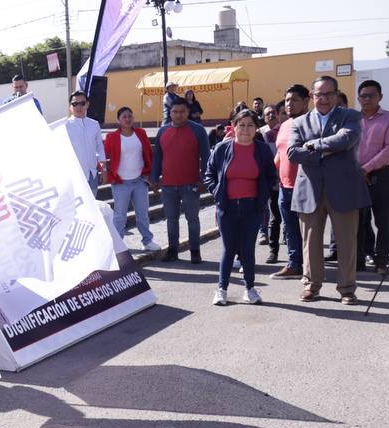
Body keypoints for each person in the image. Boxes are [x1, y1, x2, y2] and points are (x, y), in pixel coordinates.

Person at [287, 76, 370, 304]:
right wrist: (328, 150)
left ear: (336, 95)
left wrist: (314, 145)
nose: (323, 99)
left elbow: (347, 139)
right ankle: (311, 286)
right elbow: (293, 153)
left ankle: (347, 289)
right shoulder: (299, 122)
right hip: (310, 190)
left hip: (344, 189)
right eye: (318, 94)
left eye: (328, 94)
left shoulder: (350, 116)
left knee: (346, 243)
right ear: (311, 96)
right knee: (310, 243)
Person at [204, 110, 278, 306]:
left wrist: (264, 194)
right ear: (234, 126)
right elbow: (209, 174)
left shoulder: (262, 150)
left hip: (252, 208)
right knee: (228, 249)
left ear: (256, 128)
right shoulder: (221, 148)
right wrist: (216, 191)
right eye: (241, 125)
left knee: (247, 250)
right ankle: (222, 289)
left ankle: (250, 289)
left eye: (250, 125)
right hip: (227, 207)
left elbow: (271, 175)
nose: (245, 129)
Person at [152, 96, 210, 263]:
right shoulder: (162, 131)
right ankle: (172, 250)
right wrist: (155, 178)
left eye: (182, 112)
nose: (178, 115)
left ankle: (195, 251)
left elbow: (206, 157)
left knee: (192, 219)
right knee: (171, 219)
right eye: (175, 112)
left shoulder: (198, 130)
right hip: (168, 185)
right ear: (170, 112)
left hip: (191, 184)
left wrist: (203, 180)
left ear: (188, 112)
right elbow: (157, 158)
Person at [354, 80, 389, 274]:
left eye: (371, 95)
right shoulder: (352, 120)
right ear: (358, 98)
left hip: (380, 176)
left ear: (380, 97)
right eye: (363, 96)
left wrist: (366, 169)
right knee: (358, 222)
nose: (366, 99)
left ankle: (381, 261)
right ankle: (359, 261)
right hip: (355, 177)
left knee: (382, 221)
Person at [102, 107, 159, 252]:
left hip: (140, 180)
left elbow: (148, 154)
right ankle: (118, 245)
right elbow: (103, 156)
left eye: (130, 116)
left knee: (142, 213)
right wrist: (107, 173)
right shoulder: (112, 137)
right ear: (118, 120)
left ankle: (147, 241)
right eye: (124, 117)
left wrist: (150, 175)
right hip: (121, 182)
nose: (127, 119)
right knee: (120, 216)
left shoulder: (141, 133)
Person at [272, 85, 310, 280]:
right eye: (287, 100)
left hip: (306, 186)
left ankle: (311, 269)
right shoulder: (285, 125)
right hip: (284, 186)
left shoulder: (312, 123)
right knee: (291, 230)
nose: (289, 104)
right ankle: (294, 264)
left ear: (306, 100)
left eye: (294, 100)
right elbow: (280, 153)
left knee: (309, 231)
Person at [63, 90, 106, 195]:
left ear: (87, 104)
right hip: (74, 177)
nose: (79, 107)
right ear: (70, 106)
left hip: (92, 174)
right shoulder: (65, 126)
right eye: (75, 104)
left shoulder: (94, 124)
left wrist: (104, 168)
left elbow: (99, 147)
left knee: (93, 207)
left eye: (82, 103)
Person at [257, 105, 283, 263]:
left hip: (286, 178)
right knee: (273, 216)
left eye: (274, 113)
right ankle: (273, 251)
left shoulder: (285, 129)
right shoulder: (260, 133)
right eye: (268, 114)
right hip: (270, 179)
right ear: (264, 117)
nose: (271, 116)